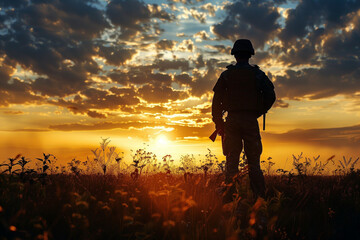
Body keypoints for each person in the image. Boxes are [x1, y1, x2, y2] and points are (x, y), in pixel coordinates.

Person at [212, 39, 276, 202]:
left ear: (235, 55)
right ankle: (260, 199)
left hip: (232, 121)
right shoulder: (257, 74)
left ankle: (229, 199)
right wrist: (258, 112)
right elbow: (271, 96)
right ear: (250, 55)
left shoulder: (226, 75)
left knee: (232, 161)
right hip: (250, 120)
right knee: (254, 162)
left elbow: (216, 101)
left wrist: (219, 123)